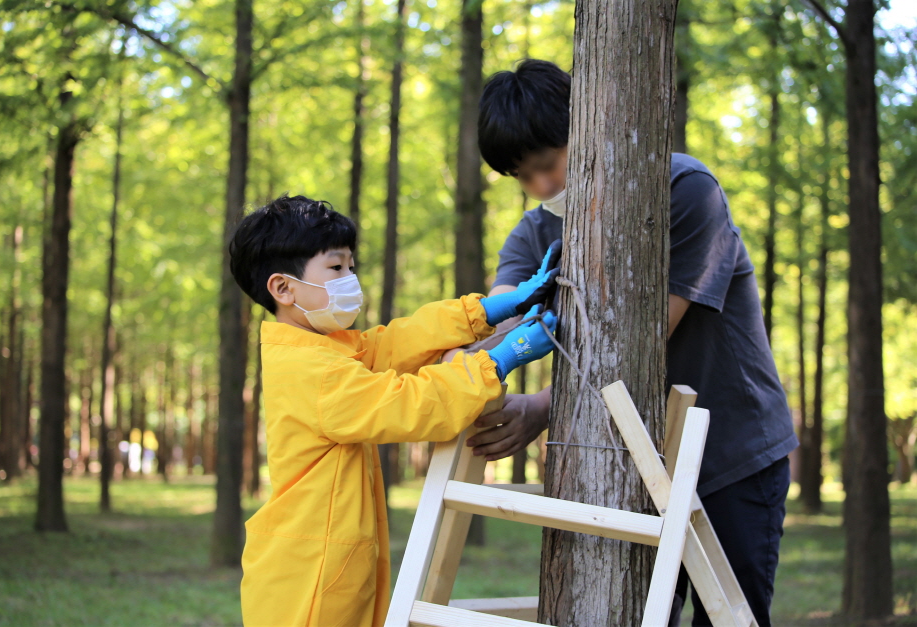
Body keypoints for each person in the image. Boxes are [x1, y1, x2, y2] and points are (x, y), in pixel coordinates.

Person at [471, 60, 798, 626]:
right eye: (523, 177)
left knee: (730, 618)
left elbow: (639, 344)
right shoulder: (535, 231)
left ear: (589, 127)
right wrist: (450, 364)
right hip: (625, 467)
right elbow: (493, 319)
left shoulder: (684, 192)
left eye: (549, 164)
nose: (543, 186)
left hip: (731, 454)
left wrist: (542, 408)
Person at [230, 194, 561, 627]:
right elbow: (406, 404)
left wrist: (492, 308)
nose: (351, 279)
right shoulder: (313, 371)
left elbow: (393, 344)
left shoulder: (326, 350)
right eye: (335, 268)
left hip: (327, 559)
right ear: (283, 288)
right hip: (310, 575)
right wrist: (499, 360)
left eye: (351, 266)